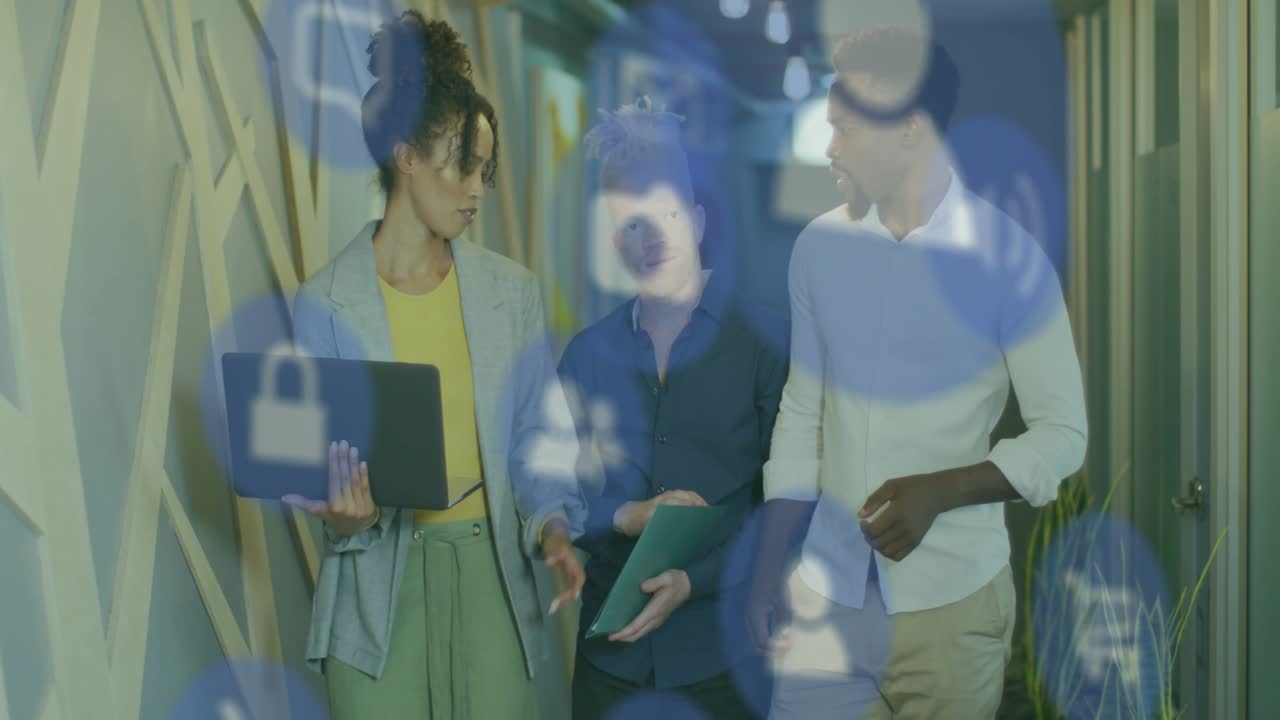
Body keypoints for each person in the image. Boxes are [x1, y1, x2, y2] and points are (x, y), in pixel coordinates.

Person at [749, 27, 1088, 719]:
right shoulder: (818, 249)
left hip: (954, 607)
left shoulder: (1008, 260)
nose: (831, 146)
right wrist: (767, 564)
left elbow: (1064, 434)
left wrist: (944, 490)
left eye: (846, 128)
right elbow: (801, 413)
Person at [283, 11, 585, 719]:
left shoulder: (511, 293)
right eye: (461, 162)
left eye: (486, 168)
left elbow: (544, 443)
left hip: (491, 580)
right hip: (372, 593)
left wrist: (556, 531)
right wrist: (346, 519)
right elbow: (315, 477)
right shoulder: (324, 302)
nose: (477, 187)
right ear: (404, 155)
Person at [557, 98, 788, 719]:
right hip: (610, 660)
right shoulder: (585, 357)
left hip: (723, 657)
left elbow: (785, 503)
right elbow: (551, 495)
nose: (651, 237)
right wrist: (628, 515)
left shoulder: (765, 346)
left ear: (697, 218)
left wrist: (697, 578)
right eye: (631, 222)